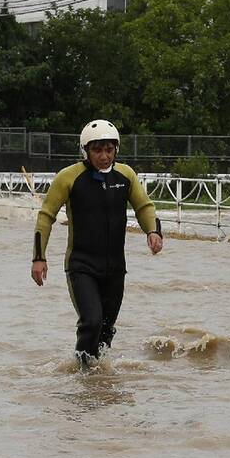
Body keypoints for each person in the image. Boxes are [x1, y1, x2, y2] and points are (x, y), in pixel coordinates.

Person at [31, 119, 164, 366]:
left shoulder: (125, 175)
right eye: (97, 150)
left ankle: (97, 383)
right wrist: (39, 258)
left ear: (116, 150)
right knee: (91, 322)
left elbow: (145, 207)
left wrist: (153, 232)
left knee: (106, 329)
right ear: (86, 150)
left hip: (115, 268)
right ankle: (81, 377)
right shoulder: (69, 178)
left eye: (109, 149)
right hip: (81, 266)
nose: (104, 156)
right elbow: (45, 217)